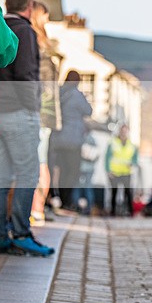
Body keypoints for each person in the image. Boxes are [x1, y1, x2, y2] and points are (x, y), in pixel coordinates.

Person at [0, 0, 53, 256]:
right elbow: (27, 76)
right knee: (28, 174)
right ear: (29, 6)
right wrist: (33, 109)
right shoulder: (25, 32)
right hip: (18, 113)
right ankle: (20, 233)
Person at [30, 0, 62, 223]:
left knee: (37, 161)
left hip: (39, 112)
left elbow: (40, 85)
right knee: (41, 162)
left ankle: (35, 209)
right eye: (46, 17)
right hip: (46, 113)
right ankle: (37, 209)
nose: (48, 21)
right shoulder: (45, 45)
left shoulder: (36, 44)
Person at [51, 70, 93, 210]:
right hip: (73, 140)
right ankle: (66, 202)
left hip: (57, 139)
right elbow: (89, 111)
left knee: (61, 171)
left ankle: (60, 199)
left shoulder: (58, 92)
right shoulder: (76, 94)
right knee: (73, 172)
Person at [106, 124, 138, 216]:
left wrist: (132, 163)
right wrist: (108, 170)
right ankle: (113, 212)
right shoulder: (113, 143)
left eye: (125, 131)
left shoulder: (131, 145)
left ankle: (130, 211)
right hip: (114, 172)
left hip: (126, 172)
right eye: (122, 131)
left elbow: (135, 158)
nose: (124, 133)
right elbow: (107, 157)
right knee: (114, 192)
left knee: (128, 192)